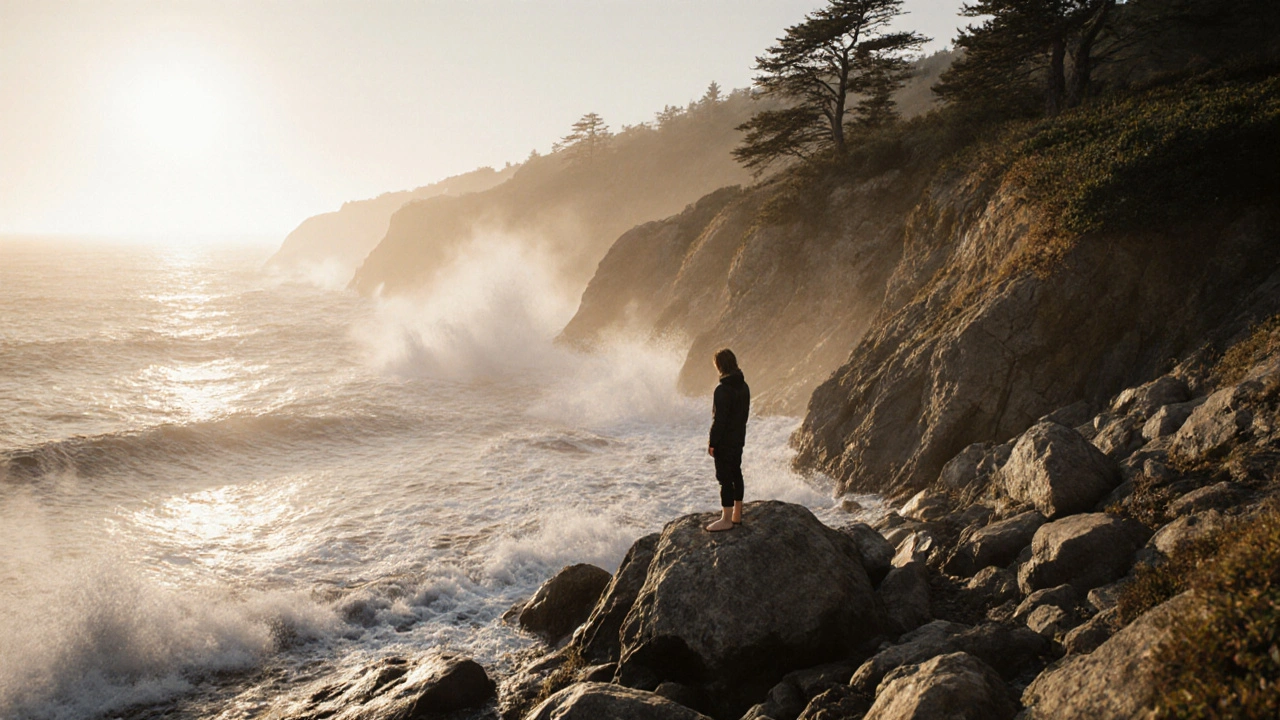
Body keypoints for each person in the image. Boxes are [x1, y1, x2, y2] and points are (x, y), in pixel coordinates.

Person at [706, 348, 750, 532]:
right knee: (736, 473)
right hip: (738, 438)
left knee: (724, 478)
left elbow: (719, 420)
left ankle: (726, 519)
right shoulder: (744, 386)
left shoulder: (722, 390)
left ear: (720, 366)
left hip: (724, 441)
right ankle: (737, 515)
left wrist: (712, 443)